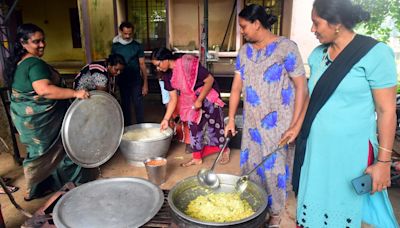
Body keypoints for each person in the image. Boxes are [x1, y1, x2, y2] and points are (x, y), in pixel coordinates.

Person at [282, 0, 399, 227]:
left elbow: (386, 111)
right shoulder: (318, 55)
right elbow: (313, 97)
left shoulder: (375, 54)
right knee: (312, 201)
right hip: (315, 148)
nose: (312, 30)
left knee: (341, 205)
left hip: (350, 153)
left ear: (336, 23)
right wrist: (296, 126)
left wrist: (383, 162)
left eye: (316, 23)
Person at [224, 4, 308, 227]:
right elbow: (235, 89)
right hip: (252, 123)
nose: (242, 31)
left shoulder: (286, 48)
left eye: (243, 27)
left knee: (274, 170)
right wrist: (231, 118)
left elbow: (302, 87)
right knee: (250, 167)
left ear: (257, 24)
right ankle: (254, 209)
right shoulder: (244, 52)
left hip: (279, 124)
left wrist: (296, 125)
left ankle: (276, 215)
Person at [7, 23, 97, 201]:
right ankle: (72, 183)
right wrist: (75, 93)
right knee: (62, 148)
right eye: (36, 42)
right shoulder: (34, 64)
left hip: (30, 121)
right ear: (23, 42)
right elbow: (44, 90)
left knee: (39, 152)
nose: (42, 45)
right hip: (43, 120)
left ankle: (39, 187)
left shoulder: (21, 62)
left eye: (43, 40)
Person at [151, 48, 230, 166]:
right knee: (194, 126)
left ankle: (224, 149)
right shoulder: (167, 76)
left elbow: (209, 80)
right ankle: (197, 157)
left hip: (207, 93)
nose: (157, 68)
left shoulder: (186, 64)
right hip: (189, 98)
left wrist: (199, 100)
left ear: (166, 59)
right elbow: (173, 99)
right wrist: (166, 119)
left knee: (214, 124)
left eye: (158, 65)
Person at [111, 21, 148, 126]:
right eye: (125, 33)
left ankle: (141, 127)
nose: (127, 36)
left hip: (136, 79)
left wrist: (145, 83)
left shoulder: (137, 46)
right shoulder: (116, 46)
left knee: (138, 105)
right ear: (120, 32)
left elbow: (142, 64)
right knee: (125, 105)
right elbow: (112, 64)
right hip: (122, 80)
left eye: (130, 33)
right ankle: (127, 128)